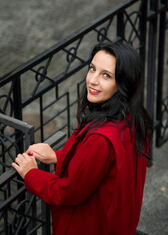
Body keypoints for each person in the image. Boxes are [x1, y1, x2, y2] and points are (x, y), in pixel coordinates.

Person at [12, 42, 153, 235]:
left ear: (123, 83)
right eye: (92, 69)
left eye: (106, 75)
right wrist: (57, 156)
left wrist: (31, 174)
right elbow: (99, 166)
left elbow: (68, 192)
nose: (92, 80)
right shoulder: (133, 118)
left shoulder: (102, 137)